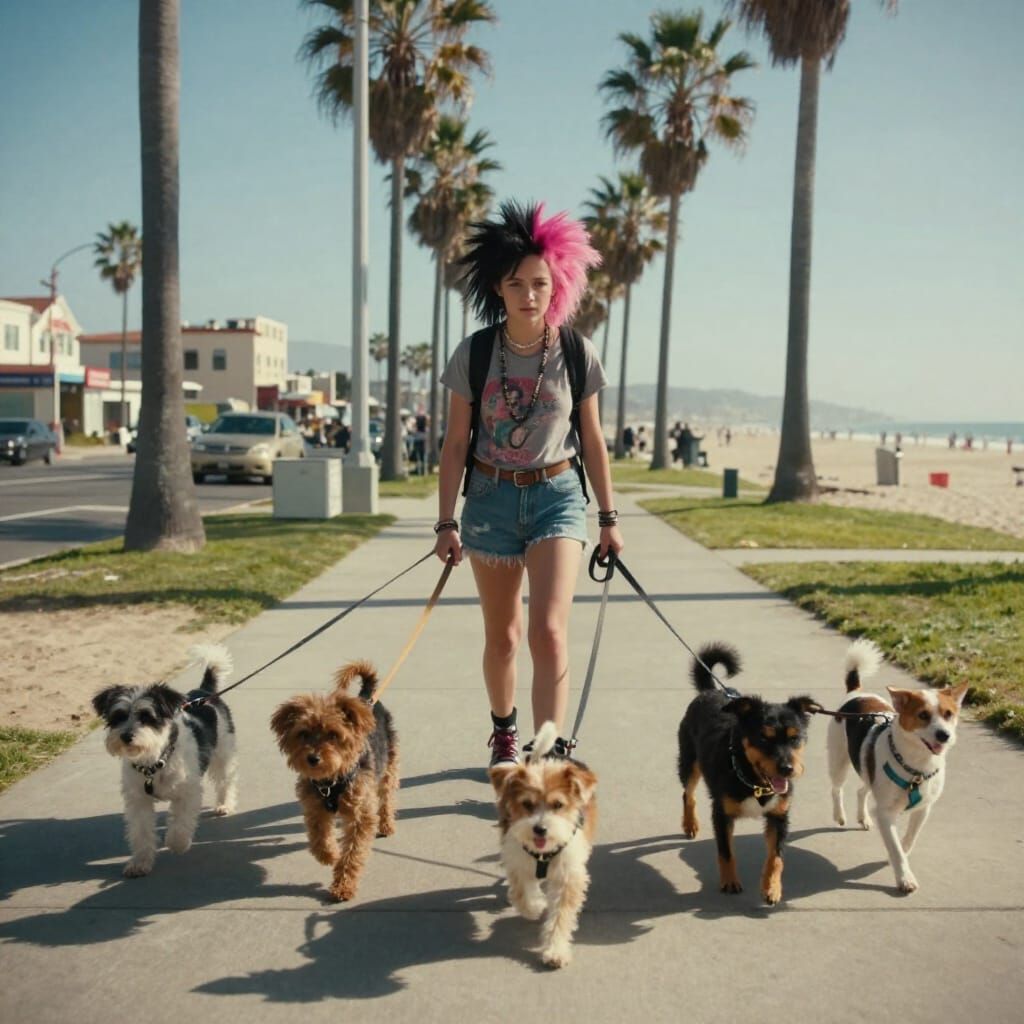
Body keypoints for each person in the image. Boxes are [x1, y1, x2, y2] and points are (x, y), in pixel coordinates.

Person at [434, 200, 624, 767]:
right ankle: (504, 733)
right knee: (504, 637)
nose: (529, 295)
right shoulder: (474, 353)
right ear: (498, 287)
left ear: (557, 284)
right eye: (516, 283)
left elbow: (593, 439)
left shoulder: (576, 352)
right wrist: (445, 522)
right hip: (489, 499)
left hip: (556, 497)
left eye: (540, 283)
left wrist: (609, 518)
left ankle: (548, 753)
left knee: (548, 631)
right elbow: (454, 443)